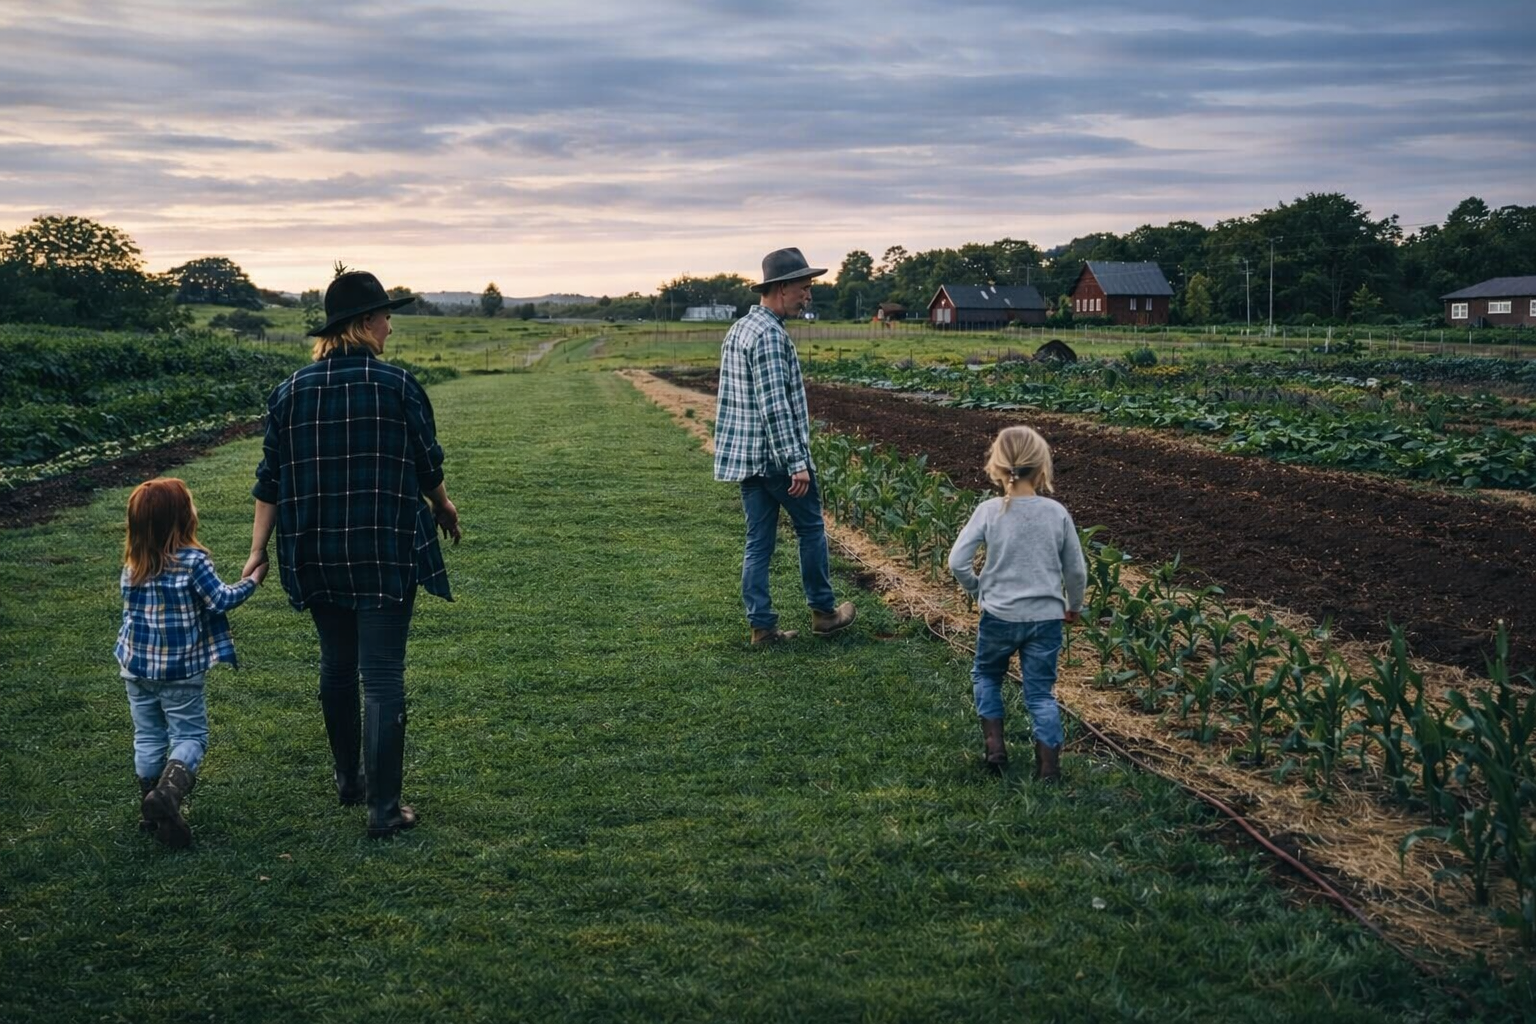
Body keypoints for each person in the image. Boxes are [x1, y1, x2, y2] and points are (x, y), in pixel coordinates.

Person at [243, 269, 461, 839]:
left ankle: (349, 779)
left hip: (315, 550)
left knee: (337, 665)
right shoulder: (399, 386)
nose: (391, 324)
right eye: (386, 315)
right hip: (386, 549)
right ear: (364, 324)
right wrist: (443, 506)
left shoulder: (290, 390)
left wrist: (258, 550)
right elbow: (426, 465)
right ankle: (384, 810)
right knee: (382, 675)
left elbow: (271, 480)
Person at [713, 247, 856, 646]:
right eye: (803, 287)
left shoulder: (740, 329)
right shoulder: (771, 337)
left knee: (758, 541)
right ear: (780, 288)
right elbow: (775, 408)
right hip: (777, 460)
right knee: (811, 528)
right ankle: (824, 612)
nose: (808, 295)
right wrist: (796, 463)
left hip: (748, 461)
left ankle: (762, 626)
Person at [117, 477, 267, 849]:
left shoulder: (132, 564)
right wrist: (252, 580)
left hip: (135, 668)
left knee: (148, 735)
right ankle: (167, 796)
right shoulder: (193, 562)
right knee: (189, 735)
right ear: (184, 518)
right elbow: (220, 600)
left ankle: (148, 807)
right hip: (180, 670)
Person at [947, 426, 1086, 781]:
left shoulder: (989, 511)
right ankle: (1049, 767)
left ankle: (995, 746)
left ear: (996, 467)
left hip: (999, 615)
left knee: (987, 674)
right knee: (1040, 692)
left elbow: (957, 562)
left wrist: (978, 591)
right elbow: (1075, 569)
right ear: (1042, 468)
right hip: (1046, 617)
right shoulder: (1056, 513)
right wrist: (1074, 604)